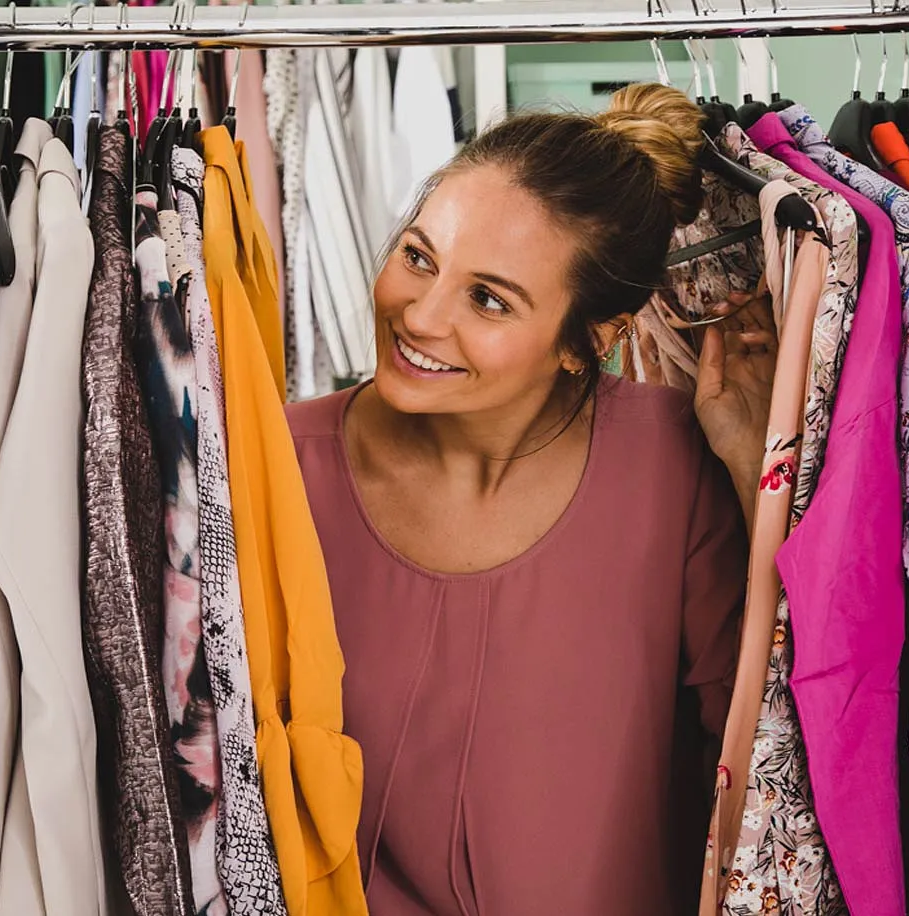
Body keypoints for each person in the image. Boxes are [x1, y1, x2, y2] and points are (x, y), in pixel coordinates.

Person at [285, 83, 776, 914]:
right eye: (418, 256)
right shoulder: (278, 469)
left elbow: (763, 754)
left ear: (589, 341)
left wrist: (751, 473)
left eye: (488, 298)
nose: (421, 316)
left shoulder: (675, 469)